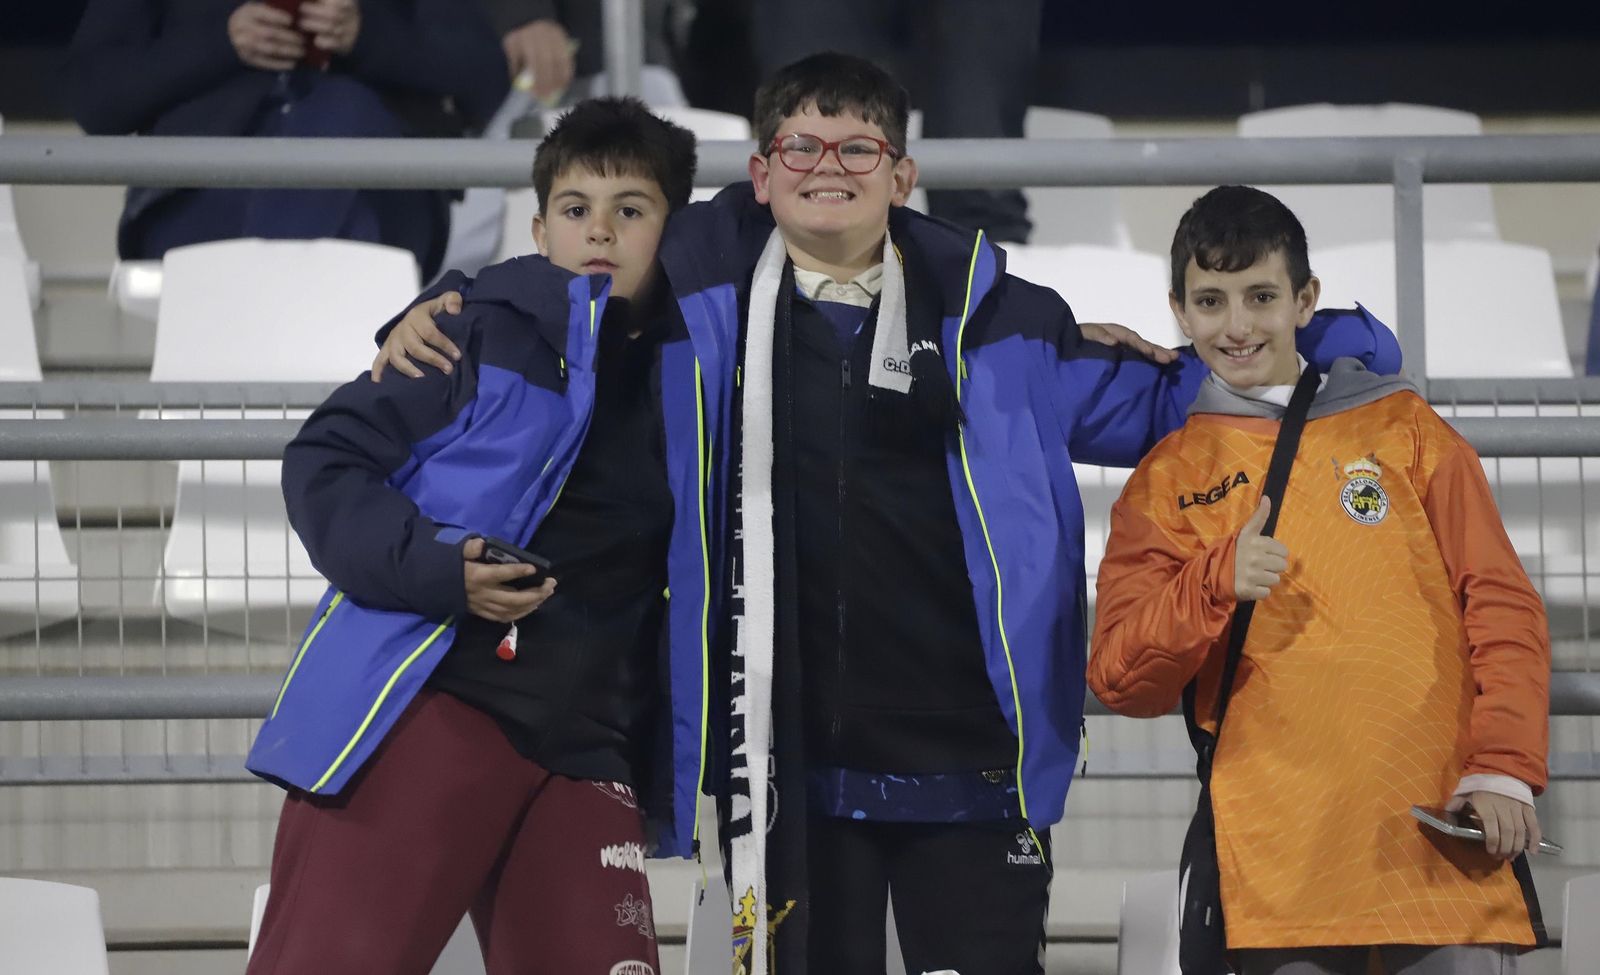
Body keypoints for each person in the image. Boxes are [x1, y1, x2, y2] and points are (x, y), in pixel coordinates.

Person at [374, 53, 1402, 975]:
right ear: (763, 173)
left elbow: (1175, 397)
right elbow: (574, 274)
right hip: (781, 766)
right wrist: (443, 304)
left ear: (901, 175)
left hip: (971, 759)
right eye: (802, 145)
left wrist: (1327, 339)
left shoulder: (1001, 319)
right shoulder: (695, 291)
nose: (831, 164)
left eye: (859, 145)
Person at [243, 98, 732, 975]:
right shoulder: (472, 332)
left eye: (632, 209)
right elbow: (324, 462)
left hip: (590, 745)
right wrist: (436, 566)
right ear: (540, 229)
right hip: (438, 702)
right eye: (577, 209)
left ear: (675, 229)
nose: (602, 231)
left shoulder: (706, 366)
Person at [1088, 185, 1549, 975]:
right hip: (1278, 863)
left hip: (1436, 841)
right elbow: (1120, 675)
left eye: (1261, 296)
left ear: (1306, 299)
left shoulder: (1404, 426)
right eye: (1211, 301)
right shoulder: (1167, 478)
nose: (1238, 325)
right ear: (1178, 310)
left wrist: (1504, 765)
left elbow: (1500, 601)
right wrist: (1211, 581)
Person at [67, 0, 508, 280]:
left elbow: (484, 78)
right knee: (345, 248)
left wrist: (369, 36)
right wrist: (220, 42)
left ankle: (261, 341)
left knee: (342, 112)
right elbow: (94, 98)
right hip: (198, 192)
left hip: (379, 190)